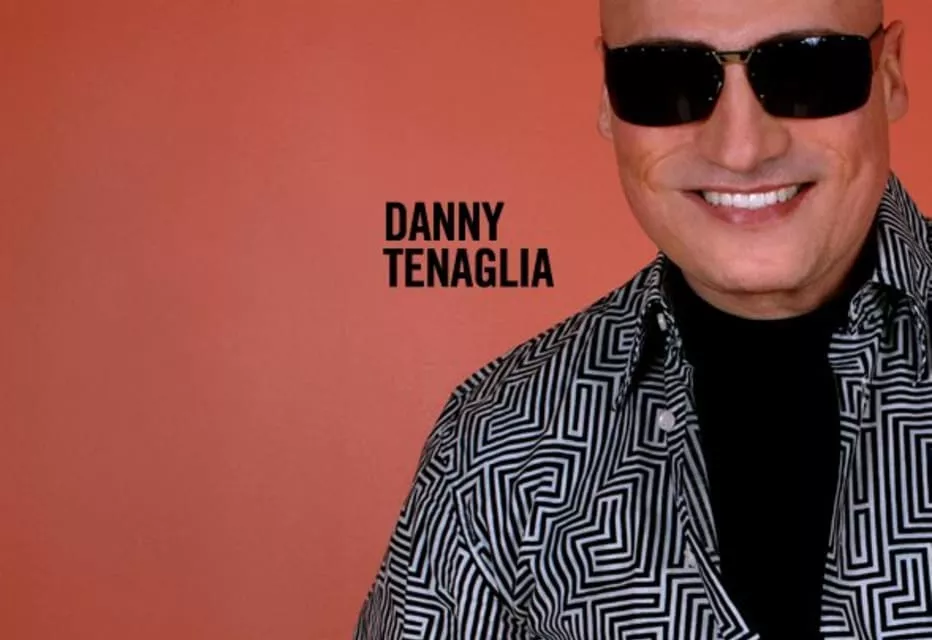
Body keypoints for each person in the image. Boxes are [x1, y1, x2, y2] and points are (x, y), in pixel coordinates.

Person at [355, 0, 931, 637]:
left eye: (806, 69)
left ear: (889, 75)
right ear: (608, 96)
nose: (741, 149)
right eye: (667, 78)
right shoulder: (496, 447)